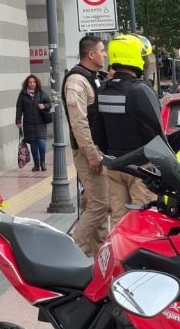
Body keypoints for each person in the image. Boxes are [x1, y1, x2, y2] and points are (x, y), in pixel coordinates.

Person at [96, 33, 163, 227]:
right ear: (135, 58)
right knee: (144, 218)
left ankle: (120, 256)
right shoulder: (140, 90)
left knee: (119, 220)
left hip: (115, 164)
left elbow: (96, 129)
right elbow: (156, 132)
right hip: (141, 167)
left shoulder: (103, 90)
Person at [63, 35, 109, 256]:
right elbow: (79, 122)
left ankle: (100, 255)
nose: (105, 55)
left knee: (97, 204)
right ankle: (70, 250)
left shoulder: (91, 77)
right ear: (91, 54)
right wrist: (91, 154)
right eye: (102, 51)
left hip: (95, 150)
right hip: (88, 152)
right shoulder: (76, 82)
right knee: (100, 204)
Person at [15, 74, 52, 171]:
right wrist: (18, 120)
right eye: (30, 82)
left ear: (36, 83)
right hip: (28, 124)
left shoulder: (41, 93)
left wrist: (44, 106)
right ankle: (36, 165)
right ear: (27, 83)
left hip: (40, 123)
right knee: (33, 145)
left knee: (41, 142)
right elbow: (19, 108)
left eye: (34, 82)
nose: (32, 84)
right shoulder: (23, 94)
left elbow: (49, 103)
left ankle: (42, 162)